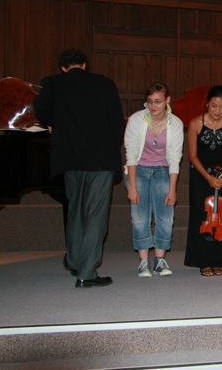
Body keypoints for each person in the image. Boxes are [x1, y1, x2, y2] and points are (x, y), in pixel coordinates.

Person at [33, 48, 125, 288]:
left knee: (75, 211)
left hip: (71, 158)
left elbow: (40, 109)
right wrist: (109, 147)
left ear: (63, 67)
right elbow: (117, 121)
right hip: (101, 160)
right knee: (95, 215)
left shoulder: (53, 82)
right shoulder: (105, 83)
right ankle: (87, 272)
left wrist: (59, 123)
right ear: (85, 64)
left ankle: (74, 261)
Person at [124, 82, 184, 277]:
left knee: (165, 216)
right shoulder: (136, 120)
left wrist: (172, 189)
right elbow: (131, 154)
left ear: (167, 100)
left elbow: (175, 158)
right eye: (149, 101)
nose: (153, 106)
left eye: (158, 101)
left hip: (163, 171)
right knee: (139, 217)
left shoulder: (175, 123)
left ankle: (159, 260)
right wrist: (132, 187)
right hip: (138, 170)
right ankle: (143, 262)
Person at [184, 85, 222, 276]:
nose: (217, 111)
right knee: (201, 216)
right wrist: (208, 177)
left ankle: (217, 261)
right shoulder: (195, 123)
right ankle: (202, 261)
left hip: (221, 176)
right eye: (214, 106)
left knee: (219, 217)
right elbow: (192, 156)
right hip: (200, 175)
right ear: (207, 104)